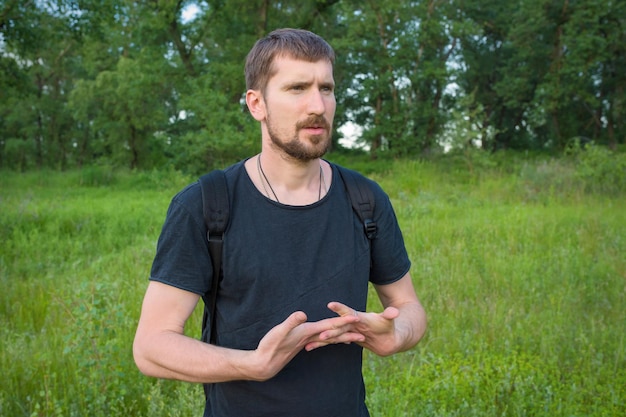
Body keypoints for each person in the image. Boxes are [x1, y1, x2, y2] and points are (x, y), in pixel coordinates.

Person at [133, 28, 427, 417]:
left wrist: (398, 334)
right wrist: (251, 365)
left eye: (326, 88)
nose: (318, 105)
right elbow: (151, 347)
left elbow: (408, 306)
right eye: (297, 88)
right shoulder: (207, 205)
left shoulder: (365, 200)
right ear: (257, 104)